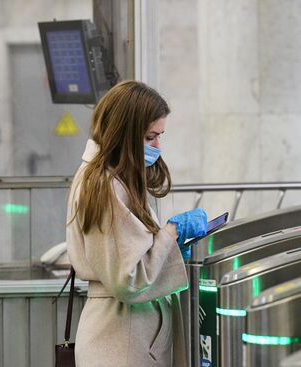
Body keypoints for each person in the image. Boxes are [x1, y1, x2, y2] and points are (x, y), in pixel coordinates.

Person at [66, 80, 207, 366]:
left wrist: (171, 249)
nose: (158, 146)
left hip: (125, 334)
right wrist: (172, 232)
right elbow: (127, 280)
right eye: (149, 137)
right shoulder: (105, 184)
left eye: (160, 136)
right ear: (124, 132)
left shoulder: (111, 177)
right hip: (121, 339)